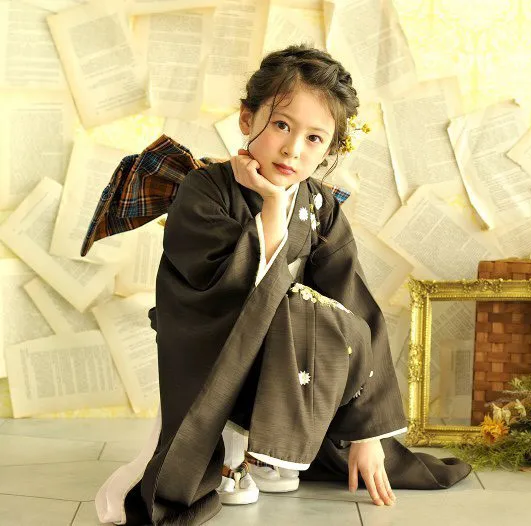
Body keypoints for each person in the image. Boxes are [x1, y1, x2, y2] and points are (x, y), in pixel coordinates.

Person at [90, 44, 471, 526]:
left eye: (314, 138)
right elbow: (226, 291)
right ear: (247, 119)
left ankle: (273, 451)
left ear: (331, 149)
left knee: (329, 316)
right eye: (282, 125)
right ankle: (233, 455)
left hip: (286, 354)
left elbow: (352, 304)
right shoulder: (204, 189)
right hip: (211, 341)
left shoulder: (321, 206)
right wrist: (272, 203)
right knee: (289, 308)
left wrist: (366, 435)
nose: (293, 149)